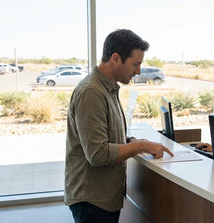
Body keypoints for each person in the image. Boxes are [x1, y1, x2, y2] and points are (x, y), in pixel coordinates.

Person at [65, 29, 174, 223]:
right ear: (115, 58)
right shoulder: (91, 92)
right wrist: (140, 146)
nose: (138, 71)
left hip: (101, 199)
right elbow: (97, 154)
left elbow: (105, 136)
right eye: (135, 64)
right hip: (92, 201)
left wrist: (131, 141)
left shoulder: (107, 88)